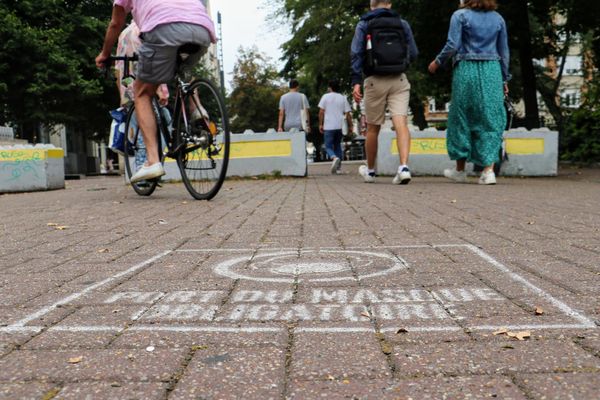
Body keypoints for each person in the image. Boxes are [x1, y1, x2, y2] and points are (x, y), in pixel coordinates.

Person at [96, 0, 216, 183]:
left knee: (142, 93)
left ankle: (152, 161)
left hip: (164, 29)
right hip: (202, 30)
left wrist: (104, 54)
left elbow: (115, 23)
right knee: (183, 75)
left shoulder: (130, 31)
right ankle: (197, 109)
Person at [428, 0, 510, 185]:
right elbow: (504, 52)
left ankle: (460, 170)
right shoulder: (498, 19)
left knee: (461, 117)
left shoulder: (460, 16)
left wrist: (437, 62)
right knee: (490, 117)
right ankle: (488, 171)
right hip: (492, 70)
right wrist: (504, 78)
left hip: (466, 69)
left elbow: (452, 44)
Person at [351, 0, 418, 184]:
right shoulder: (402, 23)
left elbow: (356, 53)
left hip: (374, 80)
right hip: (399, 79)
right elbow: (413, 52)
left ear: (371, 5)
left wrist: (356, 82)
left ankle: (371, 171)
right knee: (401, 123)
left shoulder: (364, 24)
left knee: (373, 128)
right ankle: (403, 167)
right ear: (389, 4)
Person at [318, 80, 353, 174]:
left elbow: (321, 112)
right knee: (338, 146)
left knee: (328, 146)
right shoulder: (343, 98)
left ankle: (334, 157)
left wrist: (320, 124)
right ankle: (338, 169)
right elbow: (348, 114)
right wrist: (351, 126)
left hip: (328, 126)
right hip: (340, 126)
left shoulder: (325, 97)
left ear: (330, 87)